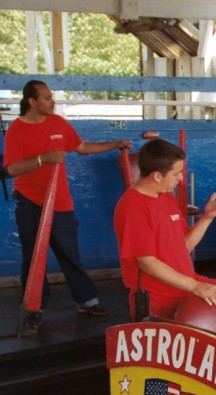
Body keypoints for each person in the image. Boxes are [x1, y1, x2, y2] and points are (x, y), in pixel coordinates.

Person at [2, 80, 132, 316]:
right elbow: (11, 169)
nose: (52, 101)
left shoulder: (58, 123)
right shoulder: (16, 130)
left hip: (59, 201)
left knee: (69, 251)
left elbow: (81, 148)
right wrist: (43, 159)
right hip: (29, 200)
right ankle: (34, 306)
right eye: (47, 98)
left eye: (52, 97)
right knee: (32, 255)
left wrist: (114, 144)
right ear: (32, 101)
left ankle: (87, 300)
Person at [114, 138, 216, 320]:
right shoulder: (132, 207)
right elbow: (147, 262)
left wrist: (208, 217)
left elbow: (183, 247)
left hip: (185, 285)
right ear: (157, 176)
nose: (181, 178)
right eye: (177, 173)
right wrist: (194, 286)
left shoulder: (165, 196)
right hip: (159, 299)